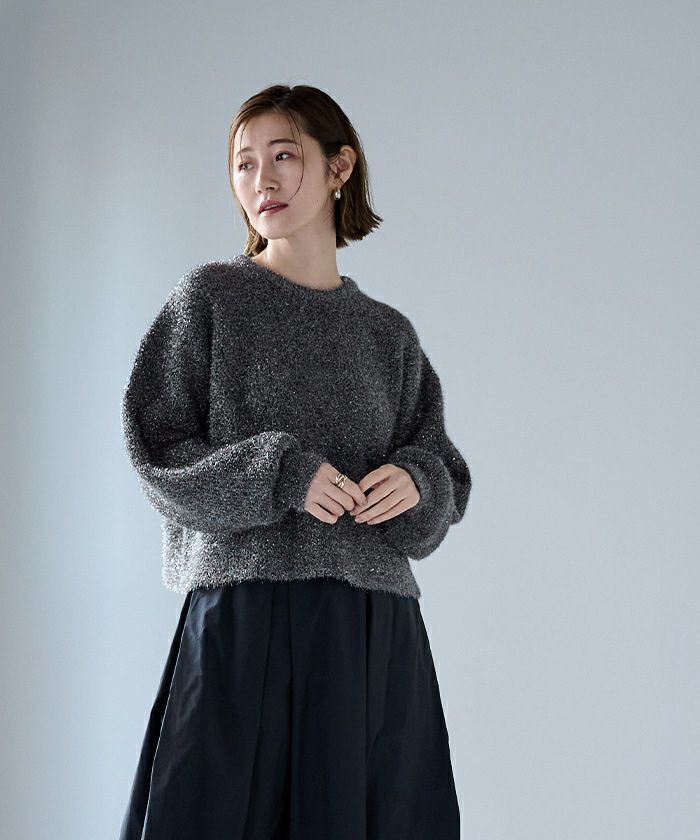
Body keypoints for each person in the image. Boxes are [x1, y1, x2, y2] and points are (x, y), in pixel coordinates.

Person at [118, 83, 472, 840]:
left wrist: (416, 483)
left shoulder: (388, 335)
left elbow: (445, 473)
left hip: (372, 629)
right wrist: (281, 474)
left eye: (284, 156)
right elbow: (157, 450)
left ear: (340, 166)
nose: (262, 181)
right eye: (244, 163)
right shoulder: (212, 299)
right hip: (244, 620)